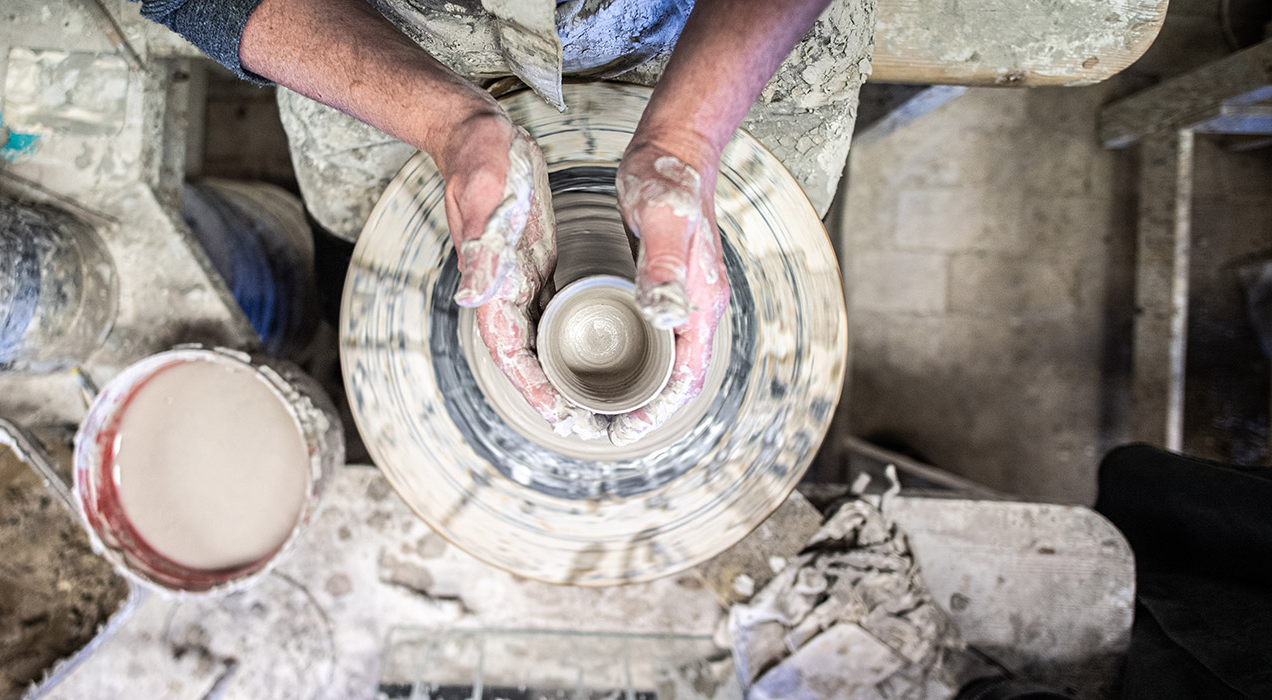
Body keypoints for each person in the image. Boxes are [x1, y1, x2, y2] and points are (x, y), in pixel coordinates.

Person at [139, 0, 837, 444]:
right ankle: (334, 312)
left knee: (780, 234)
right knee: (353, 234)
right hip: (389, 26)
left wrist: (685, 145)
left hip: (708, 22)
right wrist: (449, 125)